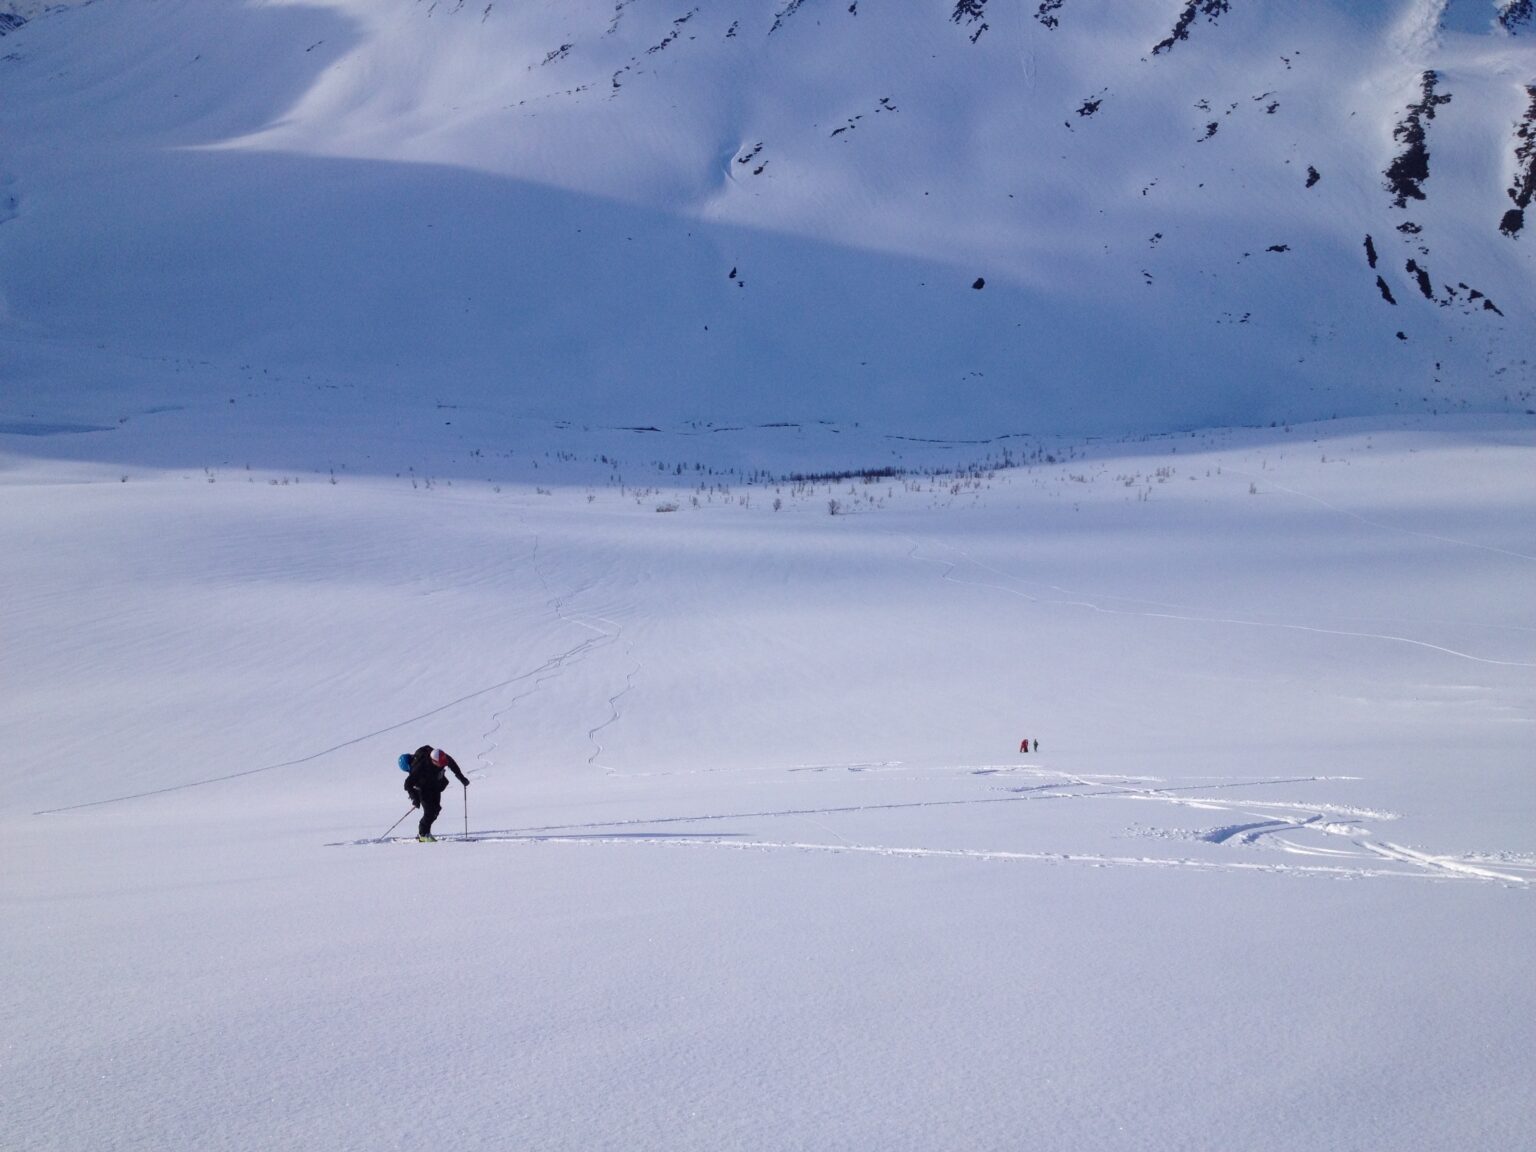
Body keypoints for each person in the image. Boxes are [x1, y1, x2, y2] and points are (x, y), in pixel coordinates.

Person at [399, 745, 469, 842]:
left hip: (435, 785)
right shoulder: (420, 767)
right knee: (429, 811)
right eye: (441, 764)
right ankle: (423, 835)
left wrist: (461, 778)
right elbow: (407, 784)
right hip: (422, 789)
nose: (443, 765)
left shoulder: (442, 757)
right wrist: (415, 798)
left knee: (436, 810)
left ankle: (426, 832)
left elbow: (452, 763)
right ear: (434, 761)